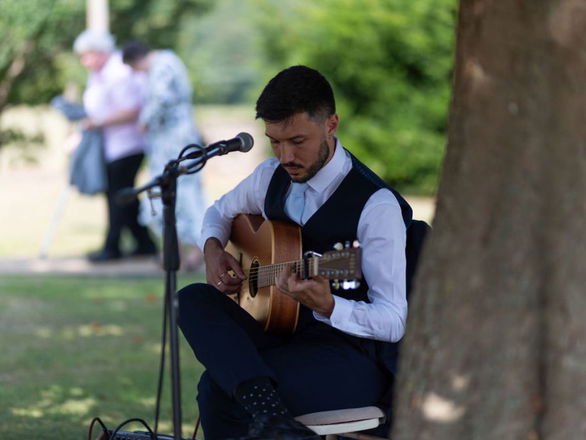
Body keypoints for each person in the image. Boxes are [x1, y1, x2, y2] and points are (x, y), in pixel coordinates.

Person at [177, 65, 413, 440]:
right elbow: (218, 212)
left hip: (348, 356)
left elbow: (393, 320)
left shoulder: (375, 205)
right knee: (191, 299)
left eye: (298, 141)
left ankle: (269, 416)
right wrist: (213, 249)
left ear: (331, 124)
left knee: (216, 390)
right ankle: (273, 418)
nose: (286, 155)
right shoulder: (269, 176)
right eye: (275, 141)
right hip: (280, 333)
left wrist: (329, 305)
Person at [121, 41, 207, 271]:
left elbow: (161, 99)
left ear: (136, 60)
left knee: (183, 194)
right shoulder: (168, 62)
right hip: (170, 142)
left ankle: (196, 251)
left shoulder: (162, 66)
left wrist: (144, 121)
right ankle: (176, 251)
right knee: (171, 193)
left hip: (174, 143)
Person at [73, 30, 157, 262]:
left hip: (127, 145)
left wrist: (97, 123)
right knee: (125, 195)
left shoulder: (118, 72)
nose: (83, 61)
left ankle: (112, 247)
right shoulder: (97, 74)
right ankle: (145, 243)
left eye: (86, 55)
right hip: (110, 146)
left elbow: (132, 110)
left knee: (117, 195)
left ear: (99, 52)